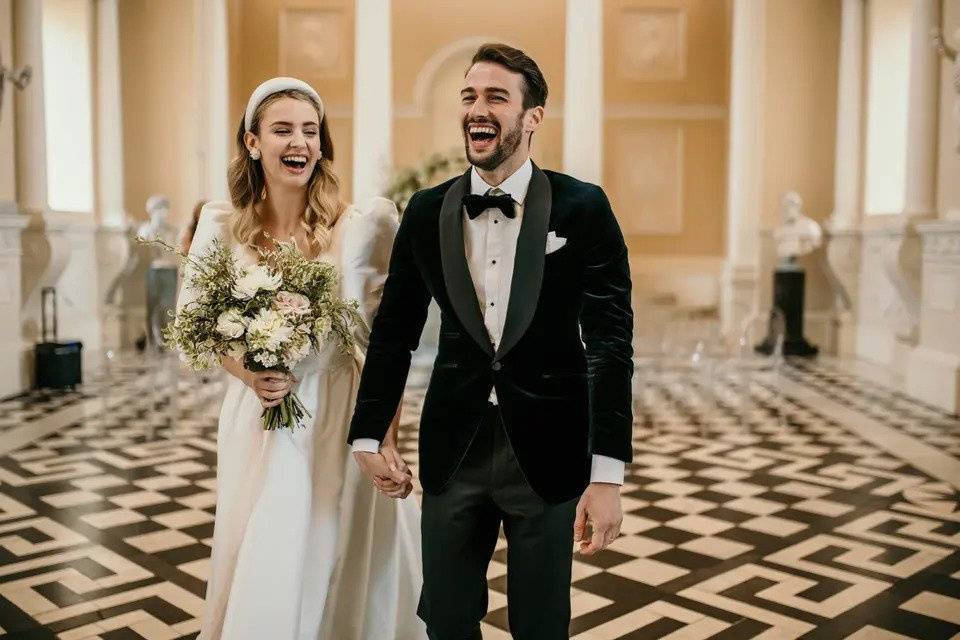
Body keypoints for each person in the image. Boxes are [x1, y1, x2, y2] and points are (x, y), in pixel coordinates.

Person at [348, 44, 634, 640]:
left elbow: (610, 343)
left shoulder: (584, 208)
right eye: (470, 96)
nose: (478, 109)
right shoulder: (426, 211)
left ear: (533, 117)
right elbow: (394, 330)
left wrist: (606, 474)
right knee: (447, 620)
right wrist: (368, 432)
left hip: (550, 451)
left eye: (497, 97)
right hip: (456, 448)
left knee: (540, 623)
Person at [180, 77, 426, 640]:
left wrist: (386, 437)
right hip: (257, 417)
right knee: (267, 543)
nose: (300, 142)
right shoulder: (220, 226)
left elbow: (386, 344)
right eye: (283, 129)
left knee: (332, 545)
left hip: (340, 412)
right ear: (252, 143)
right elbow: (200, 327)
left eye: (311, 131)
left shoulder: (362, 227)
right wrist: (250, 373)